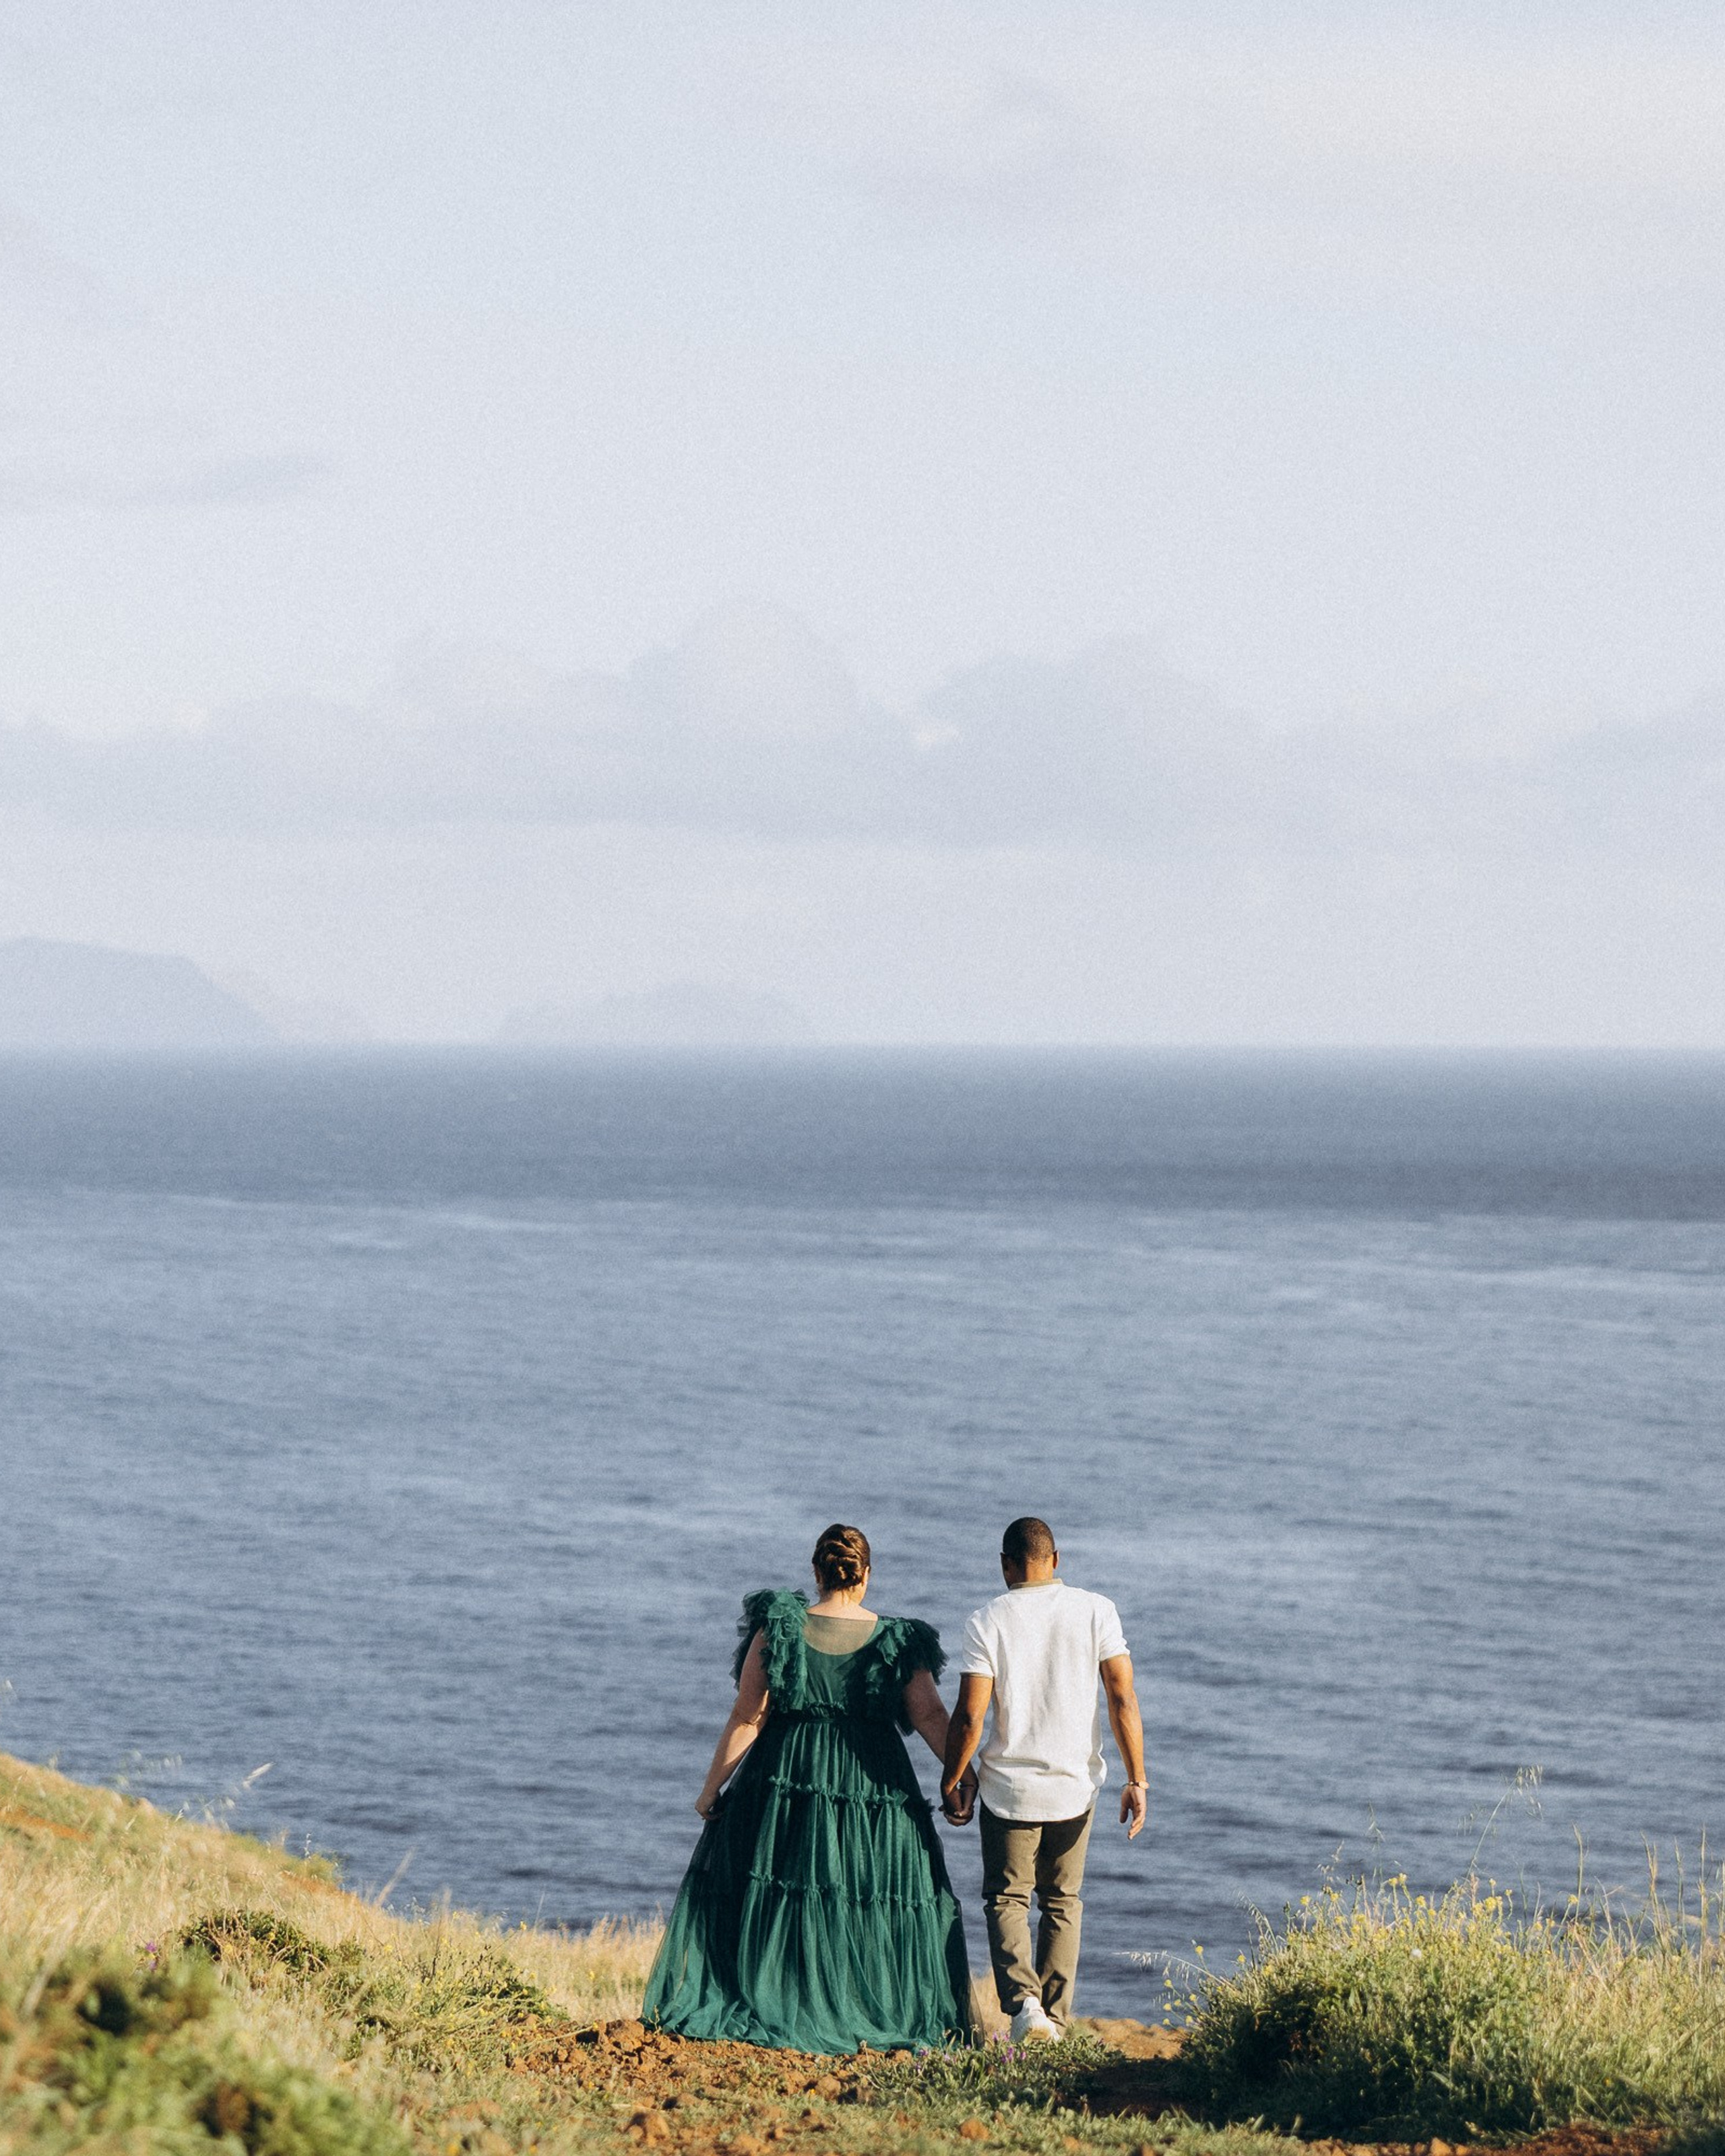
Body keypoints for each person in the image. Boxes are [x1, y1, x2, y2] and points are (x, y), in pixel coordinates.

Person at [643, 1523, 975, 2054]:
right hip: (873, 1791)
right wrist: (962, 1775)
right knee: (868, 1899)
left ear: (817, 1573)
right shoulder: (898, 1640)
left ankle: (783, 1998)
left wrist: (711, 1790)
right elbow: (934, 1717)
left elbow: (748, 1719)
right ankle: (862, 2004)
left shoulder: (779, 1629)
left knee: (786, 1895)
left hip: (786, 1783)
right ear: (865, 1575)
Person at [939, 1516, 1146, 2042]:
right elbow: (1122, 1696)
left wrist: (954, 1775)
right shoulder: (1097, 1610)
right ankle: (1054, 2018)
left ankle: (1024, 2007)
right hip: (1075, 1787)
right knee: (1062, 1902)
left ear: (1006, 1565)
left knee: (1008, 1899)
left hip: (1009, 1790)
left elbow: (970, 1717)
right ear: (1056, 1560)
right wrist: (1137, 1778)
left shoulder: (987, 1621)